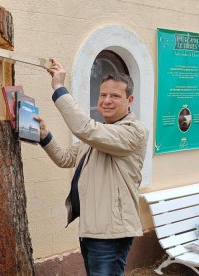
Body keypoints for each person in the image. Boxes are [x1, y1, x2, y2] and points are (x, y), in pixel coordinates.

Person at [35, 59, 148, 276]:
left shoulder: (133, 132)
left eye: (115, 96)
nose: (106, 100)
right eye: (103, 95)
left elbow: (84, 128)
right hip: (92, 227)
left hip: (111, 232)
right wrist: (44, 135)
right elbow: (65, 158)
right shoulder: (100, 134)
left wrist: (59, 88)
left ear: (130, 100)